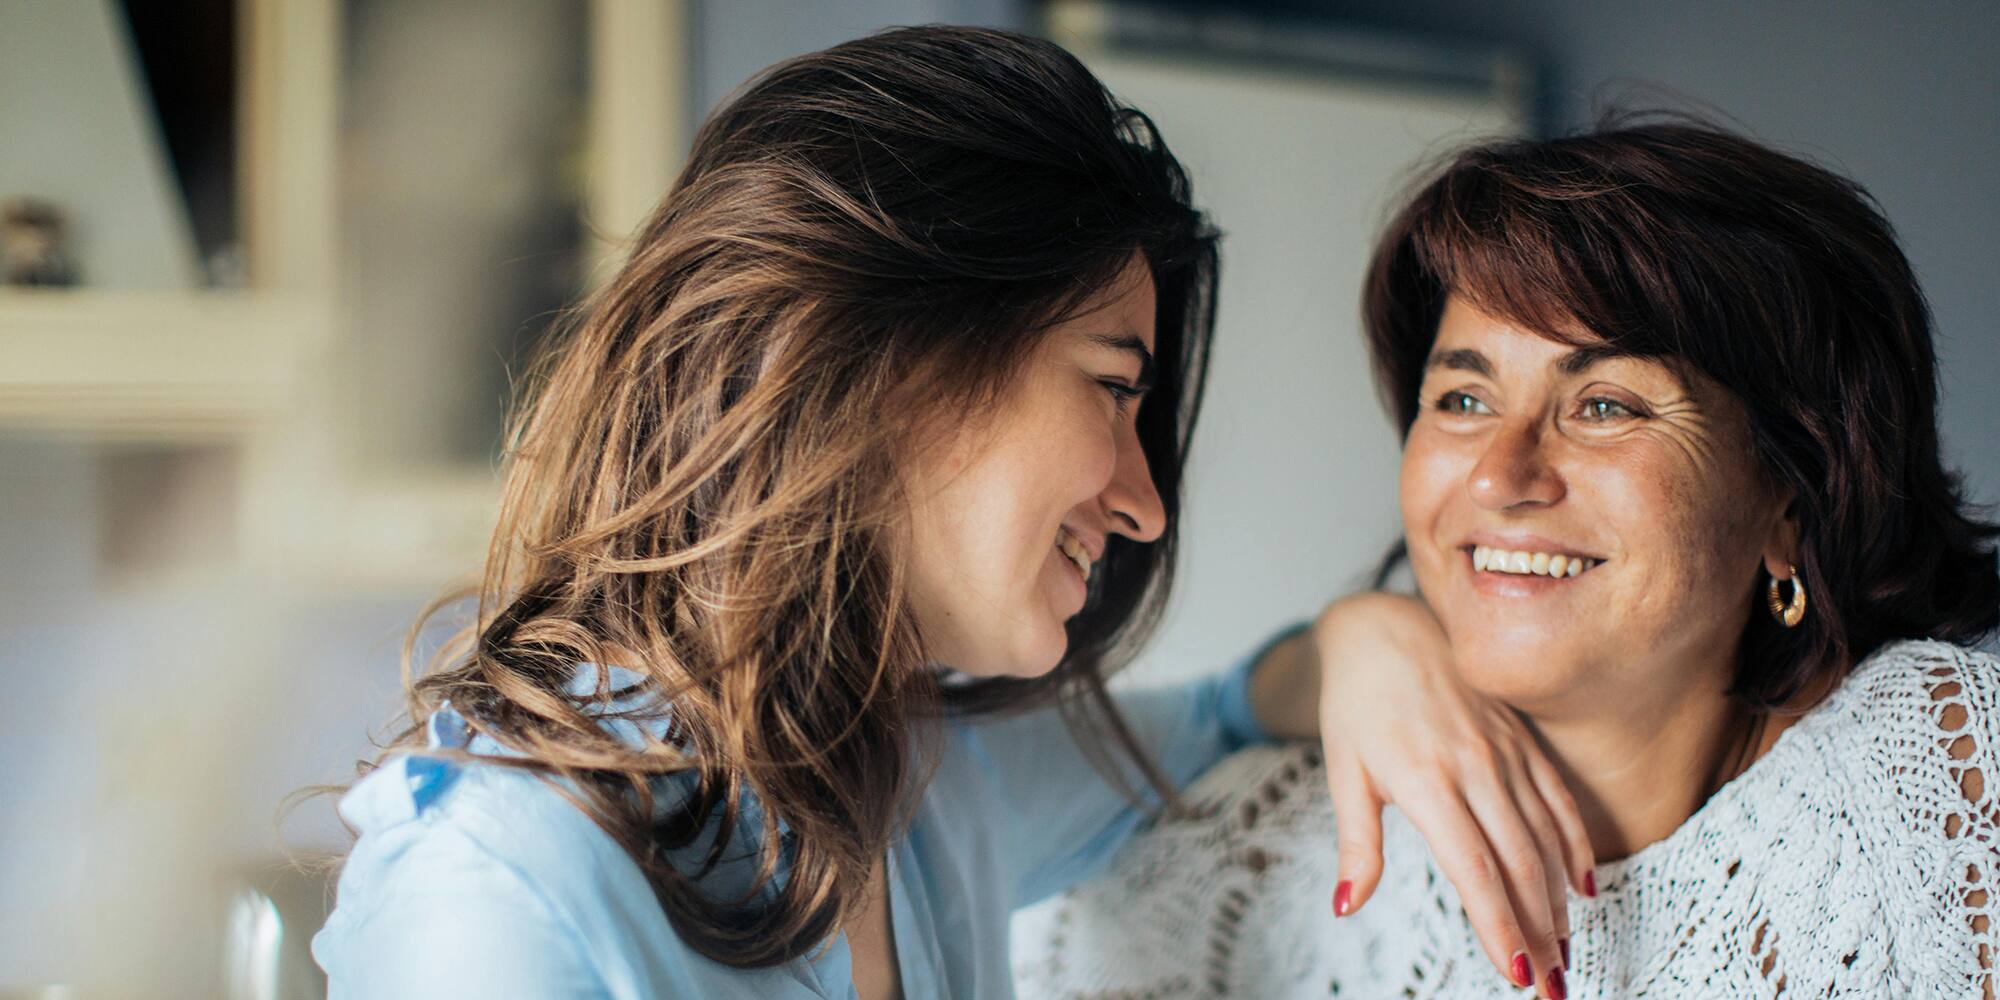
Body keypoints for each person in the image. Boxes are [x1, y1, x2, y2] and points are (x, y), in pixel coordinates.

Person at [307, 27, 1590, 999]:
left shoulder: (905, 777)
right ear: (890, 367)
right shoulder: (498, 884)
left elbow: (1214, 718)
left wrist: (1372, 635)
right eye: (1109, 389)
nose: (1143, 504)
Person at [1018, 116, 2000, 999]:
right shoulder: (1242, 860)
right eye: (1461, 399)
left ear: (1790, 499)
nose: (1500, 474)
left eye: (1604, 405)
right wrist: (1349, 631)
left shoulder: (1933, 792)